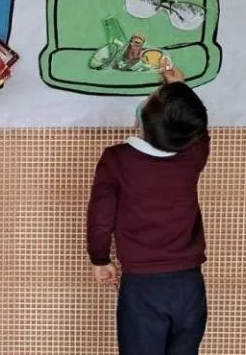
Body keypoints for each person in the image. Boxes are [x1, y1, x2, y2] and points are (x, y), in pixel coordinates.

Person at [86, 62, 210, 355]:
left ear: (140, 121)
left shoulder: (117, 160)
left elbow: (101, 215)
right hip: (190, 286)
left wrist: (100, 258)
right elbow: (198, 132)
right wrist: (180, 88)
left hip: (143, 289)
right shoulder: (193, 156)